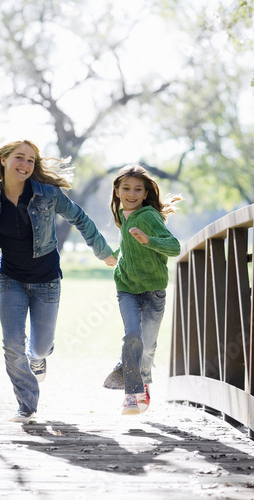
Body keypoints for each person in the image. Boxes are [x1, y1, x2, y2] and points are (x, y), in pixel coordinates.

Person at [0, 139, 117, 423]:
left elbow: (81, 219)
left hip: (47, 281)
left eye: (31, 161)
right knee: (12, 344)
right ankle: (27, 406)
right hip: (10, 279)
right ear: (4, 160)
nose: (25, 165)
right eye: (19, 158)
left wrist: (103, 252)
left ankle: (38, 358)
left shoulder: (48, 194)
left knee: (39, 347)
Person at [103, 165, 182, 415]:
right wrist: (115, 255)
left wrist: (149, 241)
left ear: (147, 193)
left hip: (153, 291)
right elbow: (128, 244)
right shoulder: (123, 217)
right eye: (126, 188)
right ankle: (131, 394)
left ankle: (143, 380)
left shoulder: (148, 216)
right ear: (117, 191)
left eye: (138, 189)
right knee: (132, 336)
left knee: (147, 346)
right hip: (126, 288)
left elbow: (174, 246)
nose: (132, 193)